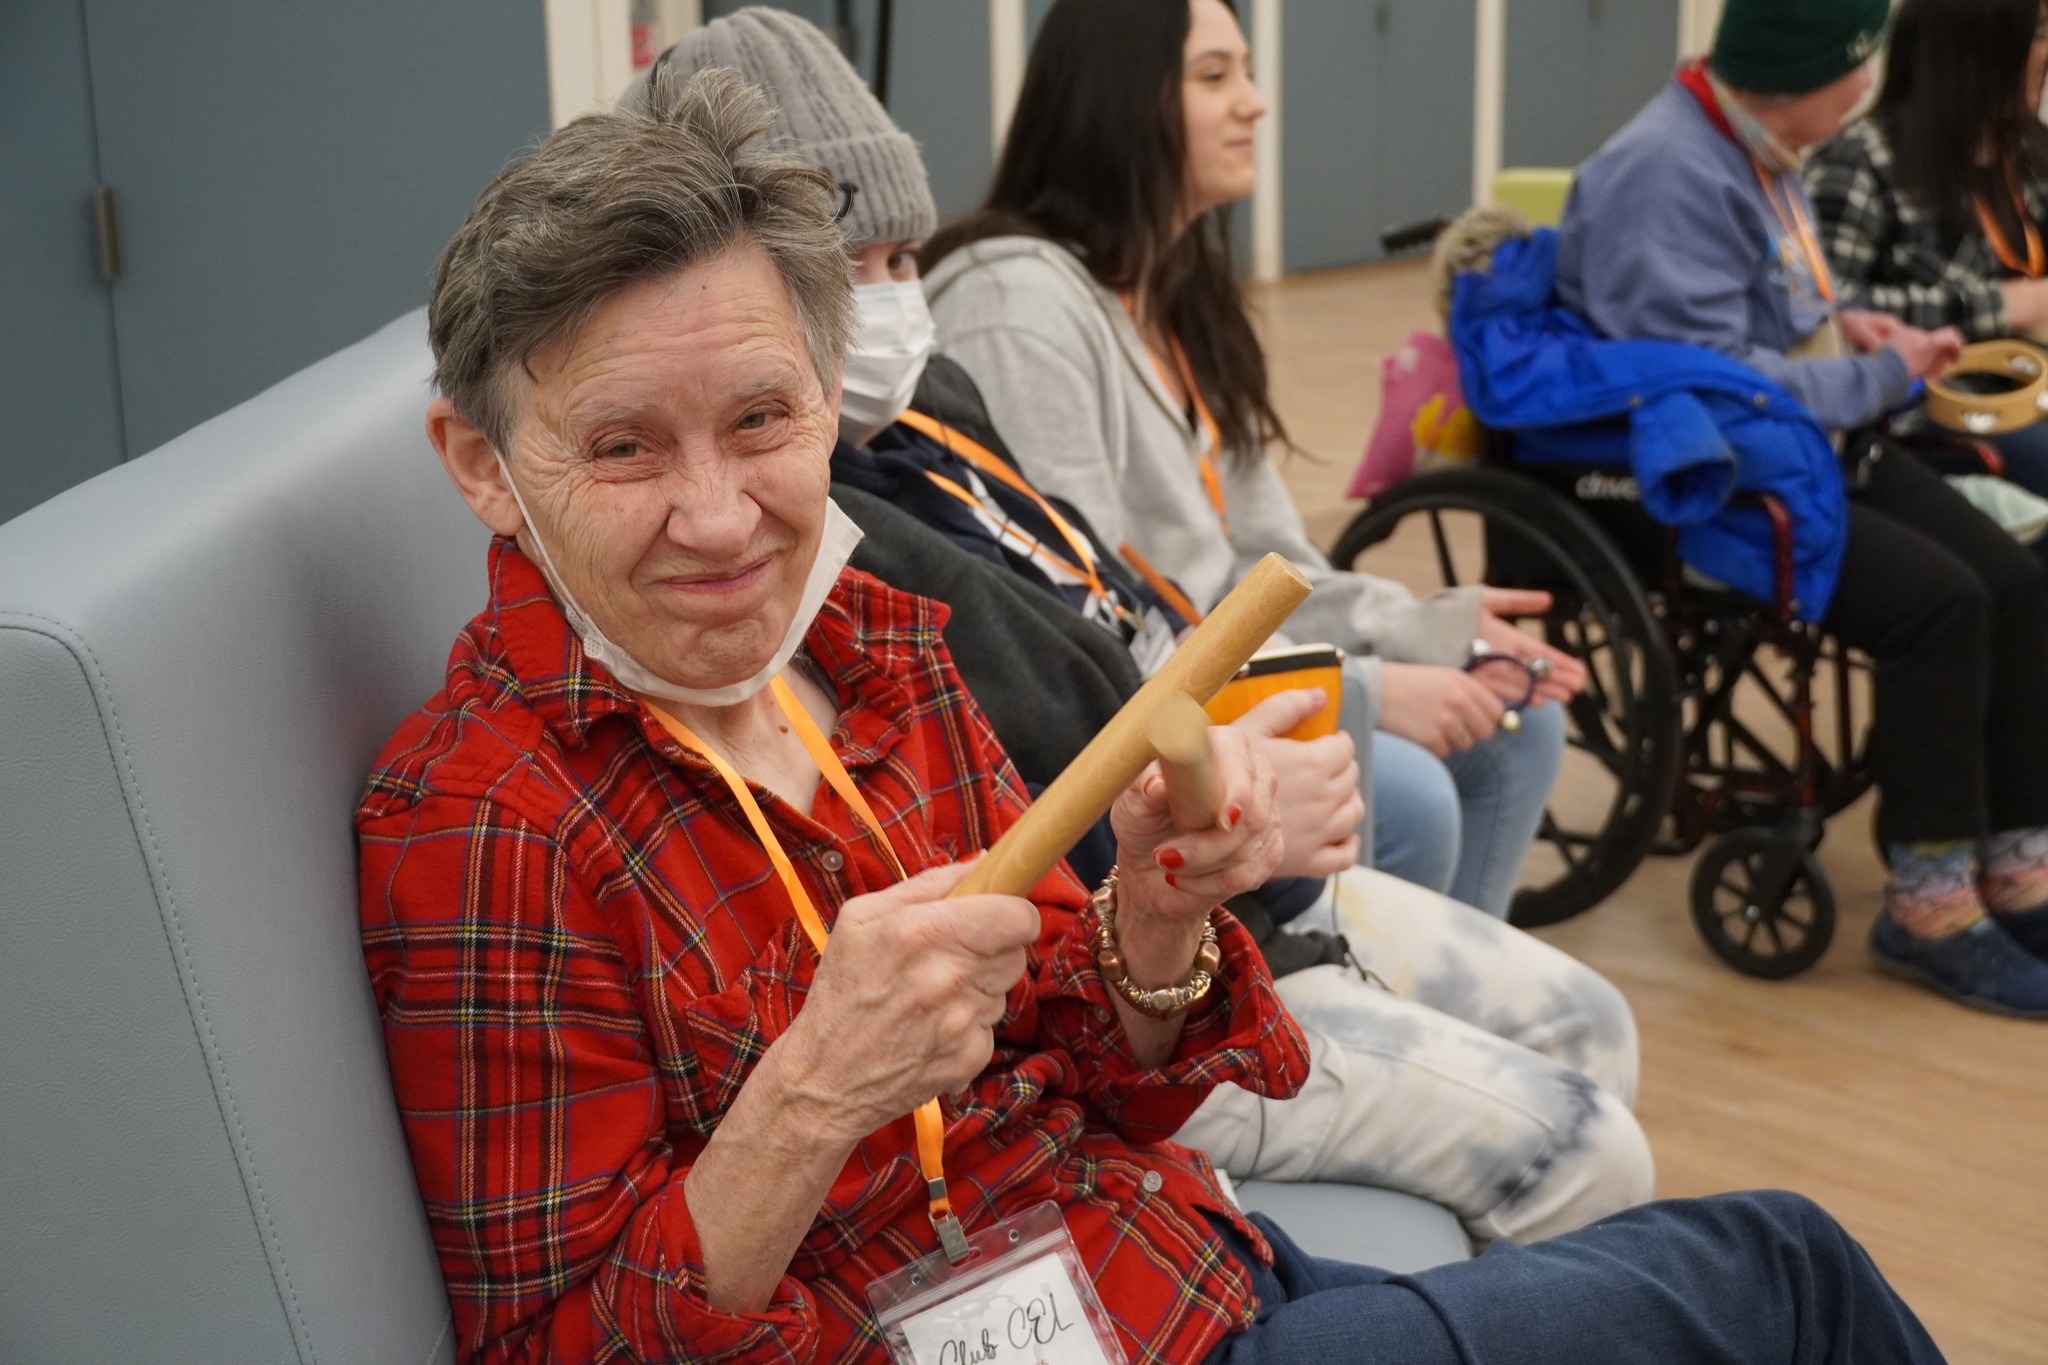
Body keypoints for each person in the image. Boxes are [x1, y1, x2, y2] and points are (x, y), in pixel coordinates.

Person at [360, 66, 1945, 1365]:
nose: (719, 519)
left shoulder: (866, 652)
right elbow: (564, 1346)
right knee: (1781, 1273)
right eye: (625, 447)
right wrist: (811, 1091)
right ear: (482, 462)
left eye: (764, 420)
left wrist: (1158, 920)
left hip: (1178, 1271)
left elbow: (1110, 1069)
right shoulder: (491, 824)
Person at [630, 6, 1654, 1245]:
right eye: (848, 270)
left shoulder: (934, 398)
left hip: (1201, 885)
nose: (895, 302)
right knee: (1590, 1149)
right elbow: (1006, 793)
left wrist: (1287, 715)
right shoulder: (792, 527)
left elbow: (1118, 593)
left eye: (904, 259)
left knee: (1594, 1022)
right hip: (1105, 959)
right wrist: (1231, 771)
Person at [922, 0, 1579, 923]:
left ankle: (1439, 1007)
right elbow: (1092, 624)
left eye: (1247, 71)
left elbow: (1263, 562)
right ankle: (1331, 1012)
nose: (1258, 103)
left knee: (1522, 720)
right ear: (1121, 99)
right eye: (1215, 76)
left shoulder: (1175, 290)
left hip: (1215, 664)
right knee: (1417, 795)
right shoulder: (1018, 307)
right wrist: (1373, 691)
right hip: (1133, 717)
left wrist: (1435, 628)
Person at [1555, 0, 2048, 1015]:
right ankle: (1927, 907)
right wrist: (1876, 375)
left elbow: (1765, 316)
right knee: (1940, 604)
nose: (1863, 97)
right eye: (1853, 75)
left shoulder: (1748, 143)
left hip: (1801, 444)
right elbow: (1709, 380)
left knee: (2014, 579)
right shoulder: (1665, 172)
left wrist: (1844, 325)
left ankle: (2016, 866)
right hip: (1716, 475)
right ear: (1804, 76)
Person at [1807, 0, 2048, 501]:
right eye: (2039, 32)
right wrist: (2001, 305)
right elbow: (1823, 316)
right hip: (1930, 413)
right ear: (1979, 48)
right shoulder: (1860, 164)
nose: (2045, 51)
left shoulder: (2029, 154)